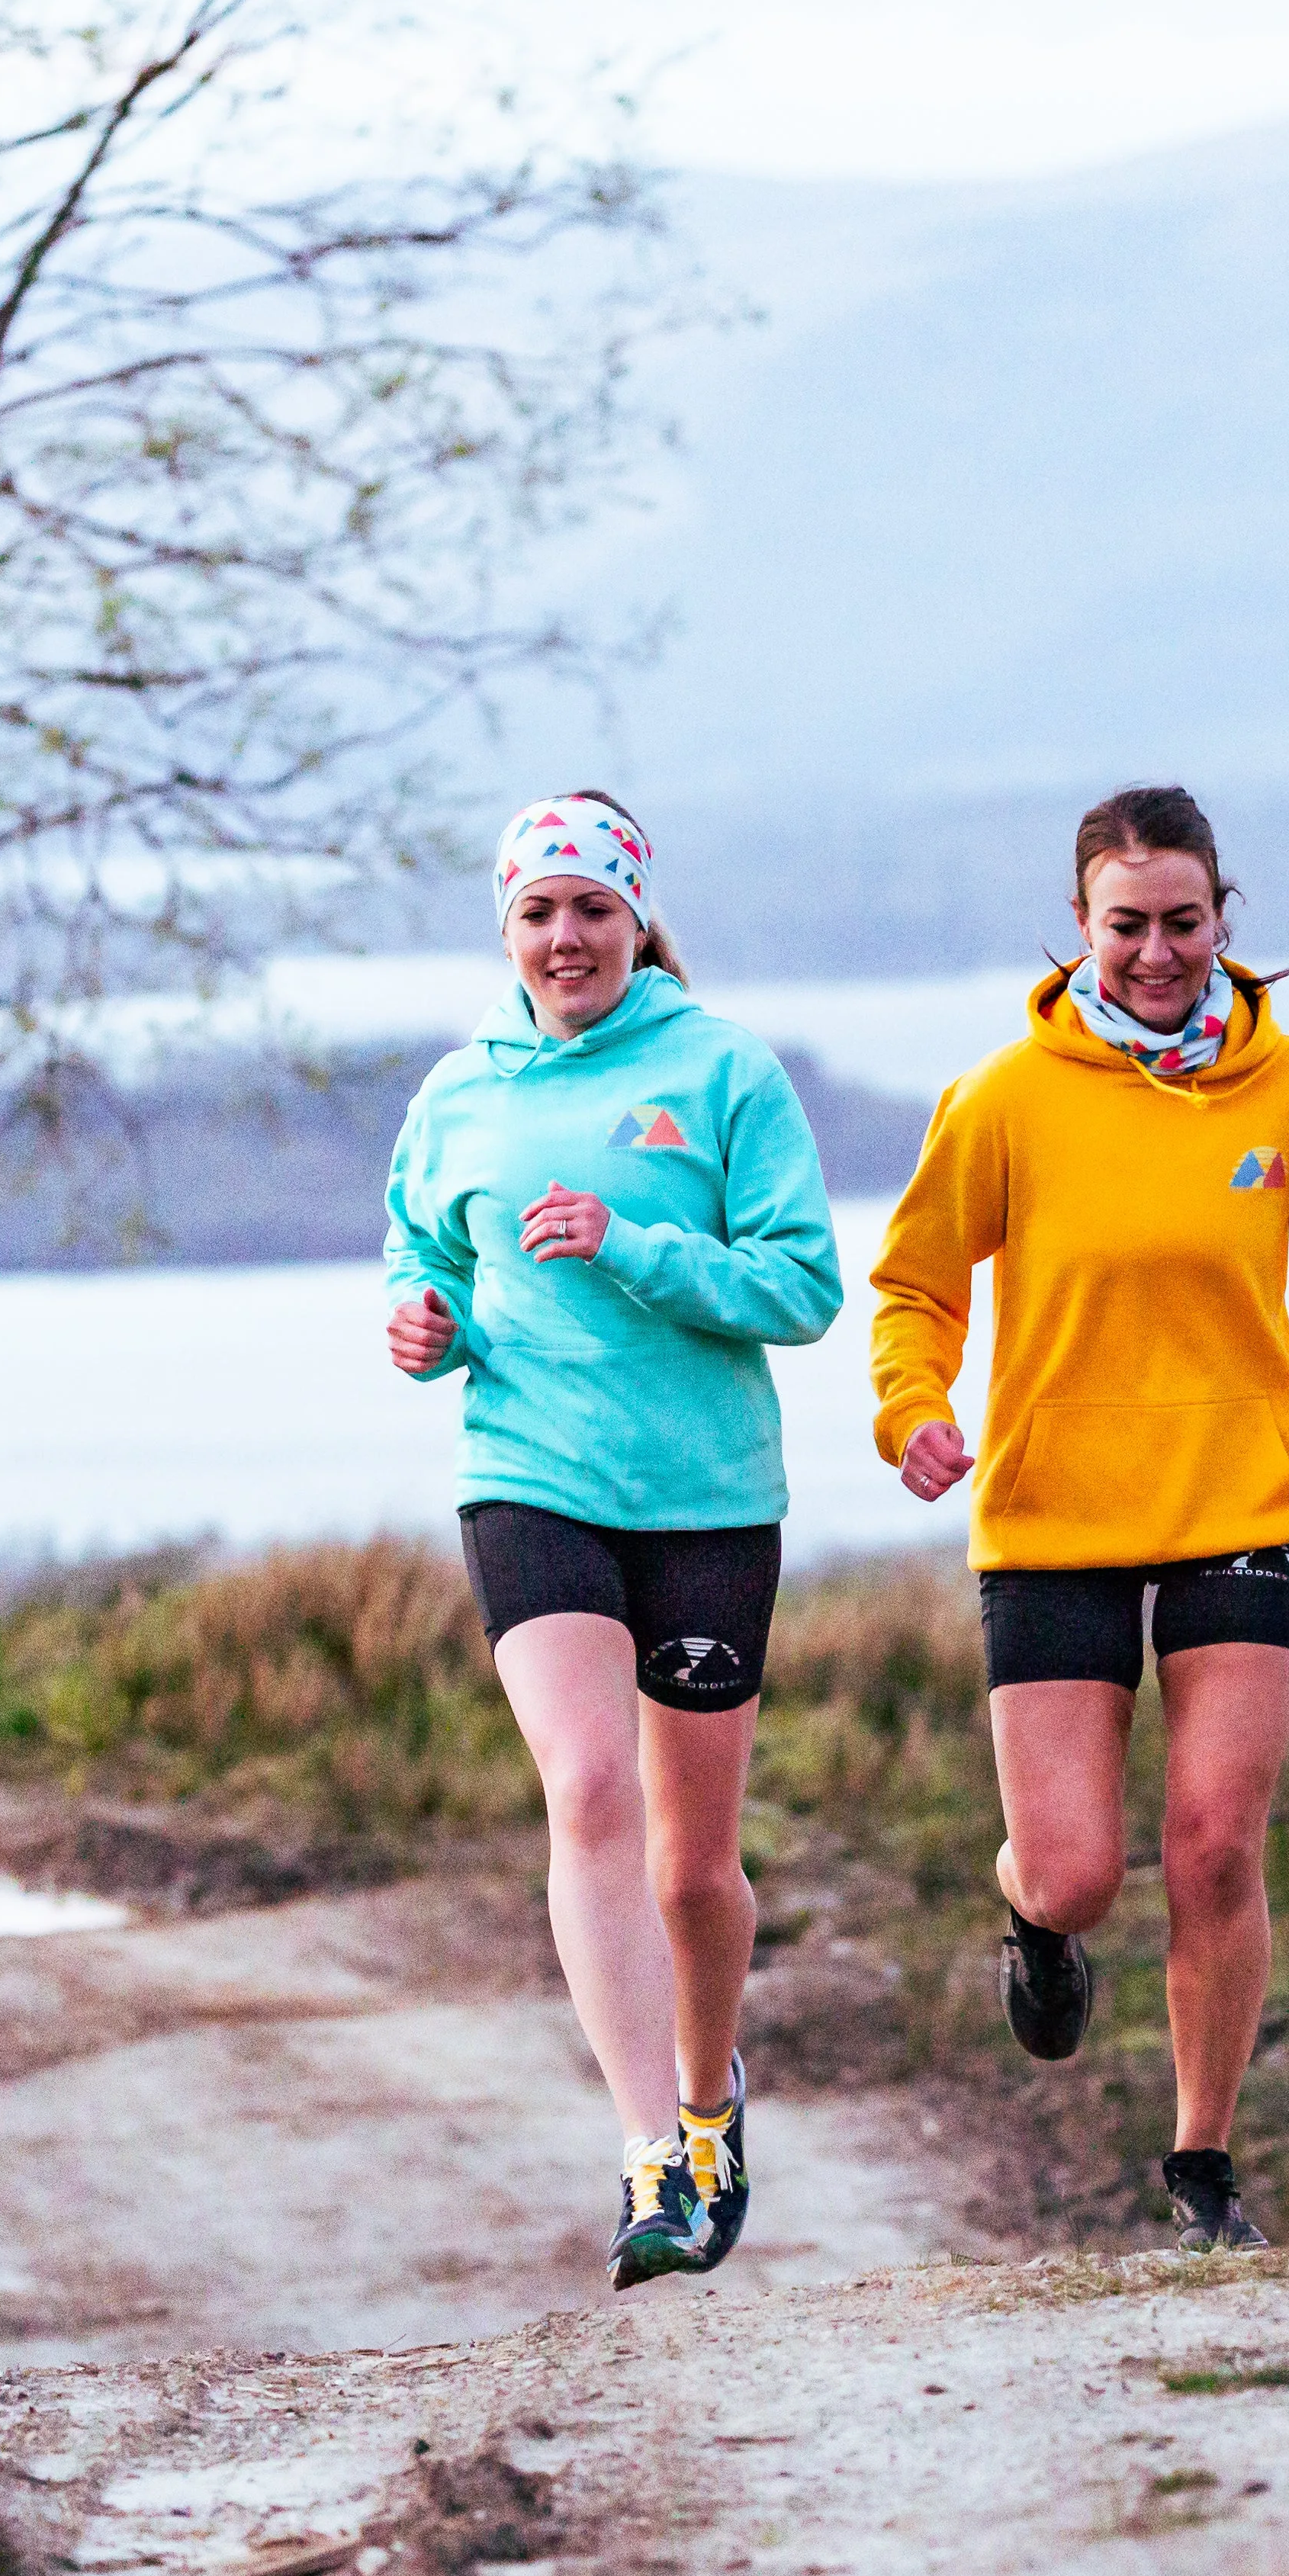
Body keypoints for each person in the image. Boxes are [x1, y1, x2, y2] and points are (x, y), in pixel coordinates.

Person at [869, 784, 1289, 2249]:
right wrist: (910, 1408)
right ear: (1079, 927)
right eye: (1130, 926)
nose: (1160, 953)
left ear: (1225, 913)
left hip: (1243, 1495)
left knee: (1216, 1843)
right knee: (1077, 1867)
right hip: (1054, 1514)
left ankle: (1204, 2168)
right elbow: (918, 1286)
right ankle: (1035, 1923)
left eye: (1186, 921)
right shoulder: (1002, 1100)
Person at [383, 791, 844, 2289]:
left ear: (634, 918)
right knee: (587, 1788)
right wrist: (422, 1325)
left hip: (706, 1499)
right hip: (527, 1473)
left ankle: (710, 2099)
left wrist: (634, 1247)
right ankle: (651, 2150)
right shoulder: (460, 1092)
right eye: (536, 911)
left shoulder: (719, 1070)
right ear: (506, 931)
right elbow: (423, 1255)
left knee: (691, 1872)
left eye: (590, 907)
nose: (563, 936)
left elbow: (800, 1288)